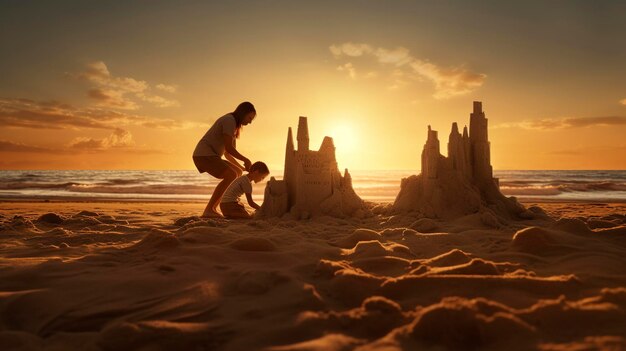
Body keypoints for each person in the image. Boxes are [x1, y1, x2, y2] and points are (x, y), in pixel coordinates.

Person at [192, 101, 256, 218]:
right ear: (243, 113)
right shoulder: (229, 120)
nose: (250, 122)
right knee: (230, 175)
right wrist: (246, 160)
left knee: (237, 172)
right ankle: (209, 209)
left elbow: (227, 154)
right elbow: (229, 148)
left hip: (212, 156)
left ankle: (213, 208)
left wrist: (241, 167)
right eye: (250, 118)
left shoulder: (235, 127)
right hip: (204, 155)